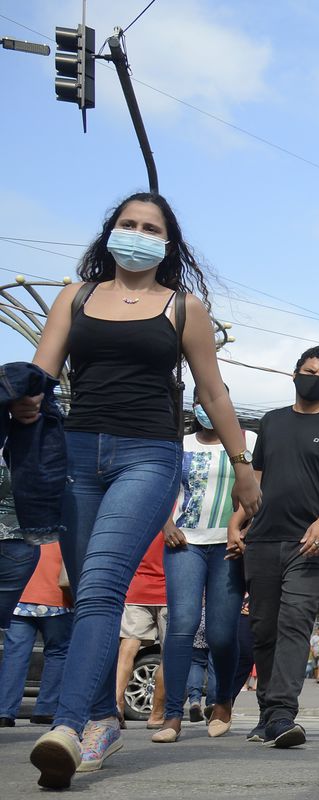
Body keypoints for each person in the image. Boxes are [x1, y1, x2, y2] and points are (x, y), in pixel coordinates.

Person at [21, 192, 260, 789]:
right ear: (109, 233)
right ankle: (103, 718)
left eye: (150, 228)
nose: (137, 233)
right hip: (76, 455)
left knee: (102, 586)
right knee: (87, 596)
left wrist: (243, 464)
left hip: (149, 456)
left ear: (168, 243)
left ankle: (69, 729)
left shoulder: (184, 308)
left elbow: (213, 392)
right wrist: (24, 399)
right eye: (127, 224)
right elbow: (40, 377)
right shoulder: (74, 298)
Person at [241, 345, 319, 749]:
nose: (315, 378)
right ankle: (266, 715)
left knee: (294, 625)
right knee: (264, 628)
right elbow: (255, 479)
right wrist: (235, 523)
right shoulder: (271, 422)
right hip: (261, 539)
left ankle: (282, 715)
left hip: (310, 543)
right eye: (309, 371)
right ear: (294, 373)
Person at [153, 394, 253, 742]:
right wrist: (166, 524)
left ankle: (222, 701)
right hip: (184, 543)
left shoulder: (247, 442)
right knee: (181, 624)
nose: (207, 407)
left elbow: (258, 490)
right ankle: (171, 717)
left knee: (221, 634)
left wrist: (242, 529)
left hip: (229, 547)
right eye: (200, 401)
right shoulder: (177, 444)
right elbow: (158, 488)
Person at [0, 542, 71, 726]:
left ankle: (5, 712)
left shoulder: (25, 527)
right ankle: (45, 710)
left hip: (19, 599)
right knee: (57, 653)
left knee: (14, 655)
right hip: (57, 600)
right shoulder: (66, 529)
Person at [118, 536, 168, 729]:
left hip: (137, 587)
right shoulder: (180, 511)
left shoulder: (143, 511)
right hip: (169, 590)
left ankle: (117, 704)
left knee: (127, 648)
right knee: (168, 654)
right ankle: (156, 714)